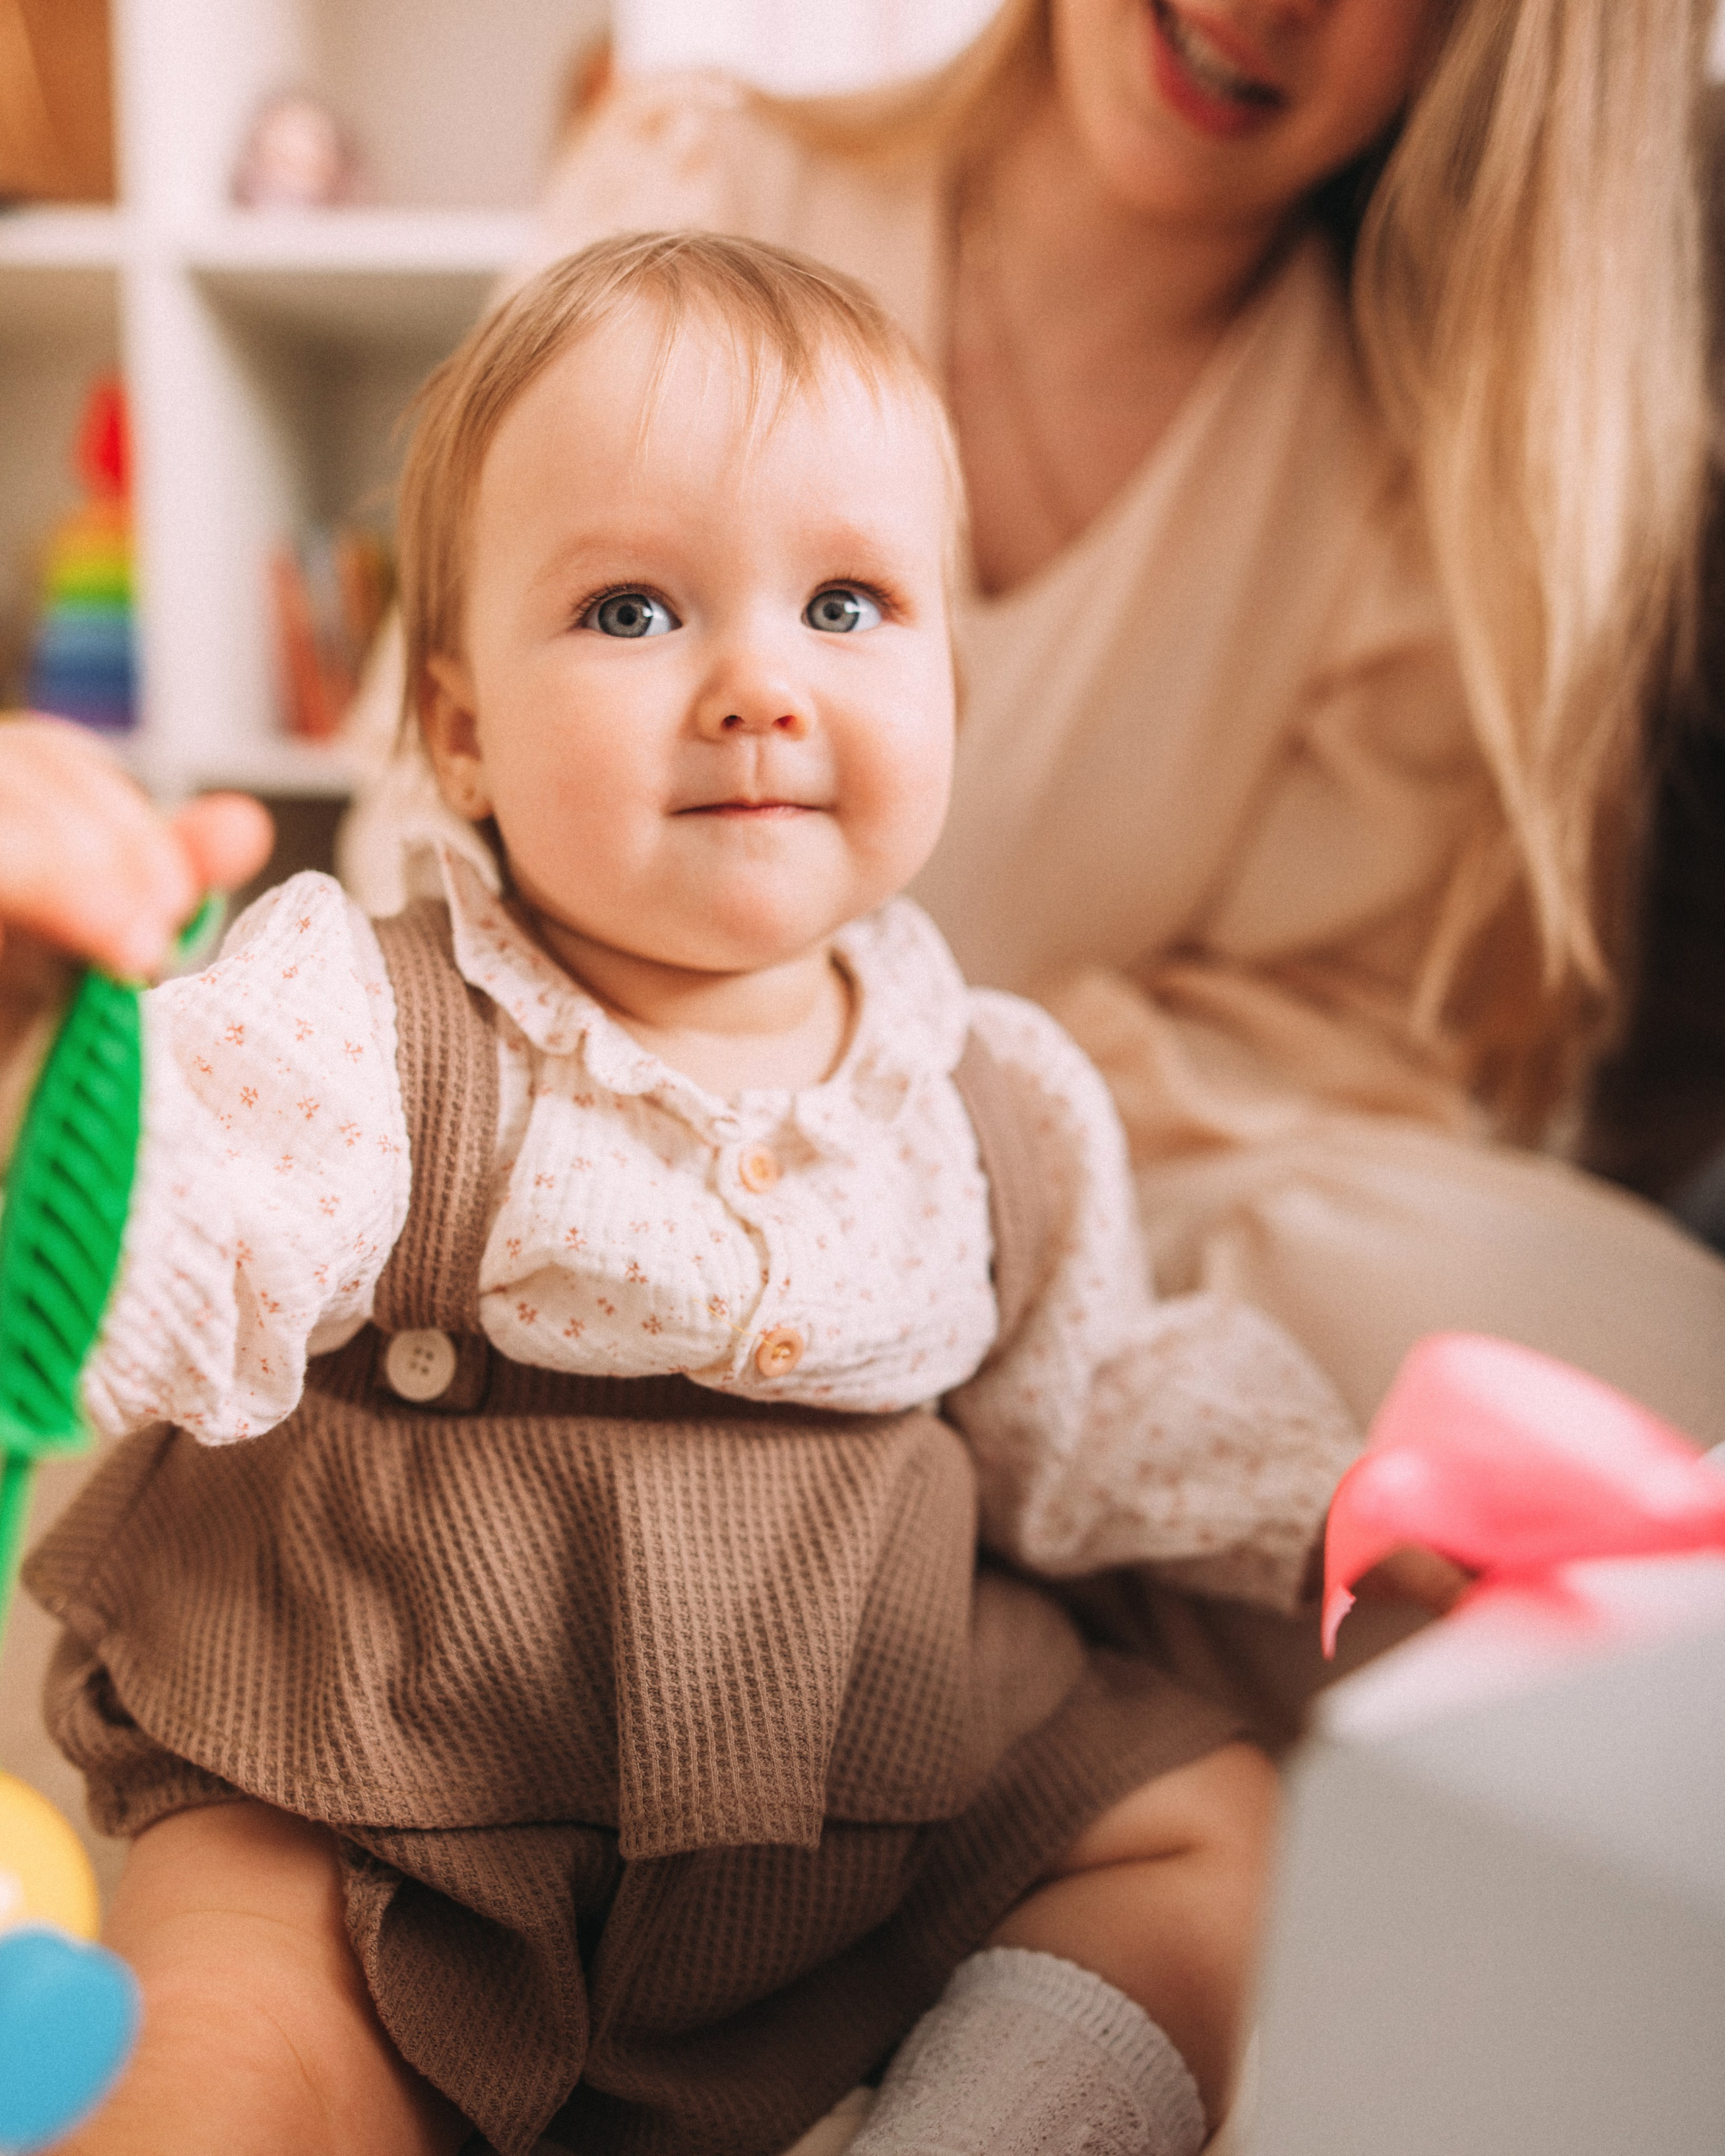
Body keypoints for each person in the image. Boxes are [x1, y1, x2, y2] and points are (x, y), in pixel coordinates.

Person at [4, 234, 1458, 2156]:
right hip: (392, 1779)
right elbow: (166, 1233)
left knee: (1210, 1830)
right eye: (630, 613)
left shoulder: (990, 1097)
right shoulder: (370, 1027)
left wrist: (1344, 1507)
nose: (760, 685)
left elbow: (1087, 1406)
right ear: (455, 730)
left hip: (857, 1794)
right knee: (228, 2022)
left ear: (951, 670)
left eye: (849, 603)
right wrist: (63, 1046)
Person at [340, 0, 1725, 1482]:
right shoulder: (694, 192)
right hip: (564, 1125)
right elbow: (415, 806)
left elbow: (1313, 1048)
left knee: (1596, 1391)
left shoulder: (1423, 481)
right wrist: (685, 1095)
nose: (1265, 4)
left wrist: (904, 1148)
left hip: (1101, 1210)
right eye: (633, 611)